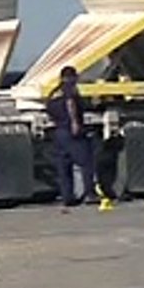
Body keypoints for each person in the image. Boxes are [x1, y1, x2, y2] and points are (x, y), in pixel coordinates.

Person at [45, 66, 98, 208]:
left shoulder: (54, 92)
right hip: (70, 130)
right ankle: (89, 193)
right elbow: (70, 103)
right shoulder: (69, 89)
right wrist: (74, 122)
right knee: (86, 162)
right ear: (73, 77)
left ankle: (67, 197)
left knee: (63, 165)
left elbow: (48, 108)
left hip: (58, 131)